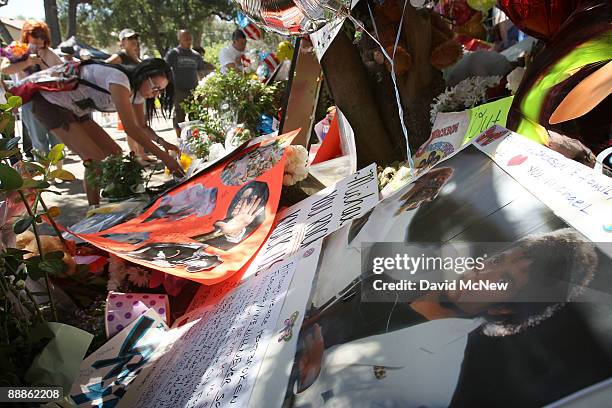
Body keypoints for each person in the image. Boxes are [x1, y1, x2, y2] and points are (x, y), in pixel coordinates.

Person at [295, 228, 597, 393]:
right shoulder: (411, 265)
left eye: (504, 280)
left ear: (504, 309)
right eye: (498, 259)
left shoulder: (437, 373)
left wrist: (313, 377)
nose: (483, 272)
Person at [30, 58, 184, 205]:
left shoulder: (137, 93)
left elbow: (141, 126)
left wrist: (163, 143)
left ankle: (119, 198)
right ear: (144, 76)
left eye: (160, 91)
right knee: (94, 158)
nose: (155, 94)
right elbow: (130, 128)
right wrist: (165, 158)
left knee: (114, 154)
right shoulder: (120, 80)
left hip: (76, 109)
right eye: (155, 87)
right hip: (50, 102)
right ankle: (94, 209)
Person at [1, 20, 62, 156]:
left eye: (43, 35)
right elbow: (5, 69)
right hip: (29, 101)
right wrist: (27, 62)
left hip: (52, 99)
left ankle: (58, 170)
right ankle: (45, 175)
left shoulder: (49, 52)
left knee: (57, 137)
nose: (39, 39)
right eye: (36, 34)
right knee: (38, 140)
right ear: (27, 34)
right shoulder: (16, 49)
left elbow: (63, 69)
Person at [106, 29, 151, 163]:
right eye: (129, 38)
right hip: (127, 96)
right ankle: (135, 156)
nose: (133, 41)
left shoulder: (137, 59)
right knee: (132, 126)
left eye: (135, 38)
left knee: (141, 125)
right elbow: (104, 66)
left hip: (139, 97)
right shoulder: (120, 56)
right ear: (122, 42)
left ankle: (142, 154)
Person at [164, 30, 205, 137]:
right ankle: (180, 140)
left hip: (194, 91)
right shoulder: (173, 53)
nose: (188, 40)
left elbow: (200, 73)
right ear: (180, 39)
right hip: (179, 91)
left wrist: (203, 89)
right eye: (185, 38)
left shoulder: (196, 55)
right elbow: (165, 69)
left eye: (190, 38)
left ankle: (195, 140)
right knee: (179, 116)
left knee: (195, 116)